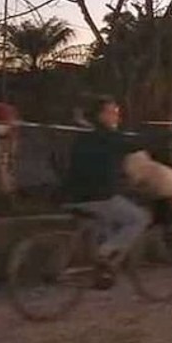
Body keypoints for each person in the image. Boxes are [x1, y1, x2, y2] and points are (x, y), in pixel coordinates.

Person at [64, 97, 152, 268]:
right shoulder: (107, 136)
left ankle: (101, 269)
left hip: (73, 194)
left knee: (107, 223)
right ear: (100, 116)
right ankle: (104, 252)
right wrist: (170, 135)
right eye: (113, 113)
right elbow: (136, 143)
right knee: (140, 218)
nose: (117, 118)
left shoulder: (87, 136)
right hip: (97, 196)